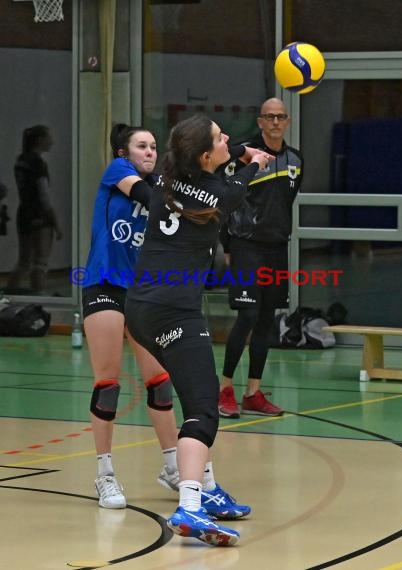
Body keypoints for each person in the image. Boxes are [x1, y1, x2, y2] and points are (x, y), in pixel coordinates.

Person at [125, 114, 270, 546]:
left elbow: (224, 163)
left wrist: (241, 150)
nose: (228, 138)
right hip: (174, 314)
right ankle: (190, 506)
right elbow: (238, 186)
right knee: (204, 411)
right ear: (205, 155)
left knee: (191, 395)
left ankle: (206, 490)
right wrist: (255, 161)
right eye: (220, 137)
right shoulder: (218, 192)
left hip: (141, 310)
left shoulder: (169, 176)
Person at [83, 124, 180, 509]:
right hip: (104, 284)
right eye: (142, 146)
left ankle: (173, 467)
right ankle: (104, 475)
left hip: (141, 291)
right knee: (108, 384)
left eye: (154, 147)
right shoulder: (118, 172)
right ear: (125, 152)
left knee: (159, 381)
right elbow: (149, 196)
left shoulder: (159, 182)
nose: (150, 152)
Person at [218, 97, 304, 418]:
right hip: (245, 247)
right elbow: (225, 201)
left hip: (276, 248)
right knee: (248, 316)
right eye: (269, 117)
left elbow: (285, 202)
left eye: (281, 117)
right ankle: (225, 388)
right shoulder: (244, 156)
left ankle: (253, 392)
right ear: (260, 122)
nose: (275, 122)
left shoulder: (296, 159)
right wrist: (227, 246)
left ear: (288, 121)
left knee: (267, 319)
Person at [7, 125, 63, 294]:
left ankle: (8, 295)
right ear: (39, 140)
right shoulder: (38, 163)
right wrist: (55, 222)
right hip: (39, 216)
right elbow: (43, 196)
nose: (51, 141)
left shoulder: (21, 160)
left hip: (23, 213)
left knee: (24, 262)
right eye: (48, 137)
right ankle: (39, 296)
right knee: (40, 262)